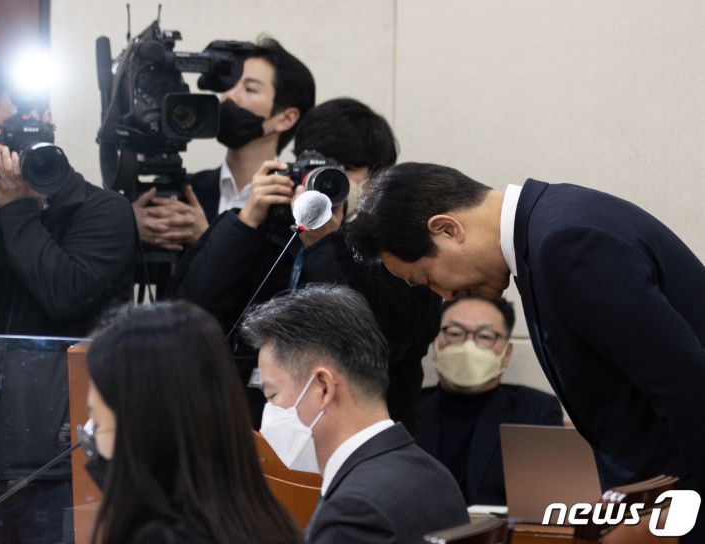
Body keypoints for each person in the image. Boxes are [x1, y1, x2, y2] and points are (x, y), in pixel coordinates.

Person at [347, 162, 705, 540]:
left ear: (447, 229)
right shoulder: (549, 228)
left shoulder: (565, 242)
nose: (445, 295)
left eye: (428, 278)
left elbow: (685, 387)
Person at [0, 64, 135, 542]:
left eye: (21, 127)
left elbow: (64, 294)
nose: (12, 148)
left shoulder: (102, 210)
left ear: (47, 120)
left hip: (63, 466)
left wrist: (18, 208)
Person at [173, 98, 439, 431]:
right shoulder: (262, 231)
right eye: (314, 169)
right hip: (247, 433)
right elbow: (188, 315)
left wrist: (326, 244)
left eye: (344, 170)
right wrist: (246, 222)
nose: (323, 184)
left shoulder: (398, 250)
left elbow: (381, 342)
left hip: (352, 435)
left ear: (375, 182)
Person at [242, 285, 468, 543]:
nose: (269, 411)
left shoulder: (355, 510)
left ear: (323, 387)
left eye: (272, 395)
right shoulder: (434, 474)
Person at [84, 301, 303, 544]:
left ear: (143, 428)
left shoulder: (162, 537)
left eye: (98, 423)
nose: (93, 443)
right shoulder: (264, 519)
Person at [133, 37, 315, 252]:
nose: (229, 95)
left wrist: (205, 238)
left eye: (249, 89)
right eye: (230, 85)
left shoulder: (297, 205)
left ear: (286, 118)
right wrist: (130, 227)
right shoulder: (184, 193)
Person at [416, 296, 563, 505]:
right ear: (435, 343)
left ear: (506, 353)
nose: (468, 346)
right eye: (455, 333)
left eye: (484, 336)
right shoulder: (407, 408)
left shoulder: (536, 411)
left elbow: (543, 502)